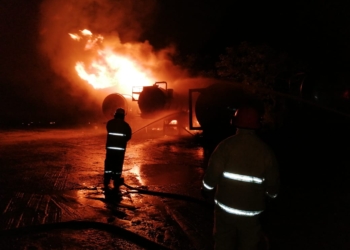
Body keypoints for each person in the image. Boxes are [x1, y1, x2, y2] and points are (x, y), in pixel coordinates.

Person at [202, 106, 280, 250]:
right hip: (252, 212)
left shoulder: (225, 146)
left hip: (225, 210)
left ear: (235, 122)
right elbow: (273, 183)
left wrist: (206, 190)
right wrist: (271, 196)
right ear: (258, 124)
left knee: (222, 243)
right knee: (249, 244)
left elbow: (212, 175)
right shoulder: (266, 152)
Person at [104, 108, 132, 189]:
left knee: (108, 164)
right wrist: (123, 140)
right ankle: (116, 180)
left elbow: (108, 130)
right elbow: (129, 136)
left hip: (110, 149)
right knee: (118, 164)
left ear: (115, 115)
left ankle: (107, 179)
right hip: (120, 150)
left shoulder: (110, 123)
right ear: (123, 116)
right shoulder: (126, 126)